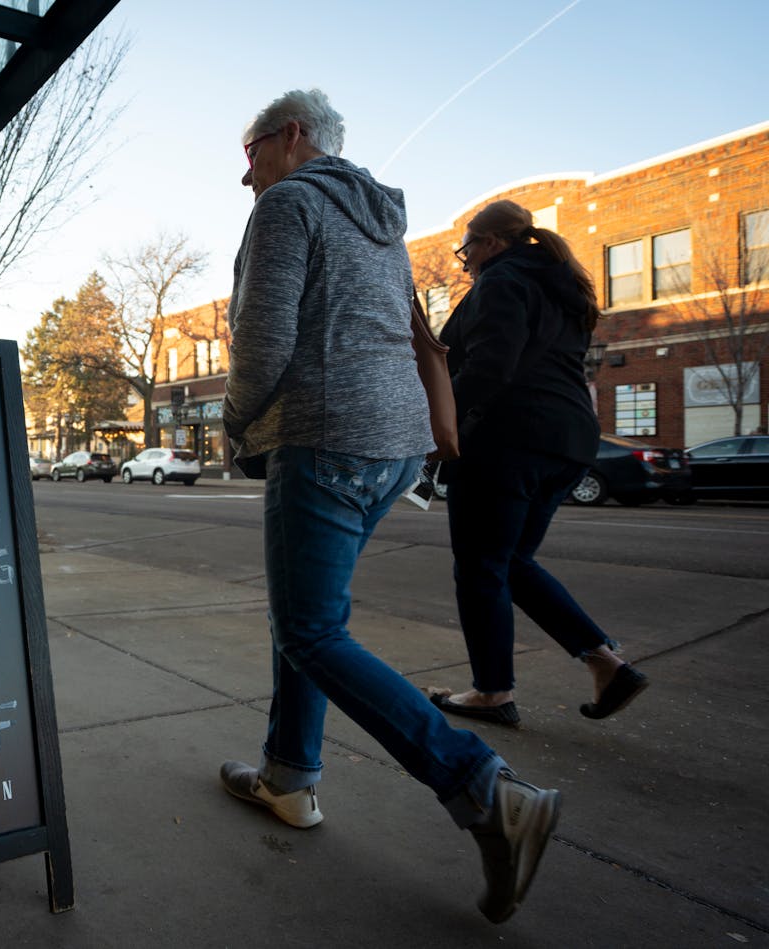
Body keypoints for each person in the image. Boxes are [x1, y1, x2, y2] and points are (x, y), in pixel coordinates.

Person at [217, 88, 560, 924]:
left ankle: (483, 787)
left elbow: (263, 341)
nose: (244, 174)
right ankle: (290, 777)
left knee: (309, 628)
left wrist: (233, 422)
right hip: (397, 442)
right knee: (308, 614)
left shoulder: (289, 203)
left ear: (291, 136)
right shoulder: (381, 217)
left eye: (251, 151)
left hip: (328, 434)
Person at [429, 200, 649, 726]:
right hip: (569, 441)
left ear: (492, 244)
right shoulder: (563, 286)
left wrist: (437, 426)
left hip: (507, 440)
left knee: (481, 568)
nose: (465, 264)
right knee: (512, 563)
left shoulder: (503, 281)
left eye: (468, 250)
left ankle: (492, 692)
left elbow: (490, 365)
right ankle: (605, 663)